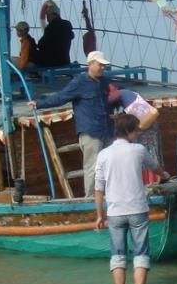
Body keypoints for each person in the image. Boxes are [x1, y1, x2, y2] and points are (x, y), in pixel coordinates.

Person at [94, 114, 169, 284]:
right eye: (136, 130)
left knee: (117, 256)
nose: (138, 133)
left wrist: (99, 215)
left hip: (115, 213)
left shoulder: (103, 154)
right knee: (141, 254)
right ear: (128, 131)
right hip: (137, 210)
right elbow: (155, 168)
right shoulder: (139, 150)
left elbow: (98, 187)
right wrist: (165, 175)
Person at [28, 50, 118, 196]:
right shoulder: (79, 82)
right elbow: (61, 97)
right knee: (93, 167)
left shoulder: (104, 82)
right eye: (100, 65)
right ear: (91, 64)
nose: (103, 68)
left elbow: (114, 97)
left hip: (107, 130)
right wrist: (39, 104)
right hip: (91, 131)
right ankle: (91, 199)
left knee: (109, 164)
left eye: (104, 65)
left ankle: (109, 195)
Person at [37, 2, 75, 67]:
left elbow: (41, 44)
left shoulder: (51, 27)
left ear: (53, 15)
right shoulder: (67, 24)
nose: (47, 18)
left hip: (52, 61)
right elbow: (72, 35)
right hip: (65, 60)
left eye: (48, 15)